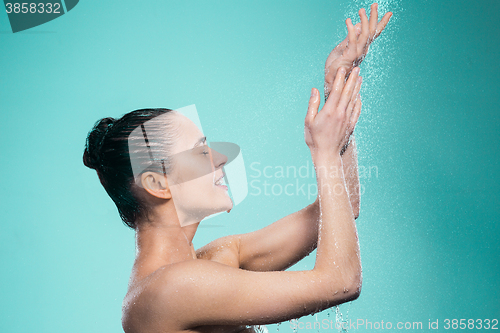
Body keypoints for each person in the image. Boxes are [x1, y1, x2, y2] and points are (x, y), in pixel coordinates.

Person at [83, 4, 391, 333]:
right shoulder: (167, 291)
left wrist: (336, 87)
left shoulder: (215, 259)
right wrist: (325, 153)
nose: (219, 158)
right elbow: (340, 281)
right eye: (200, 151)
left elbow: (344, 207)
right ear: (157, 183)